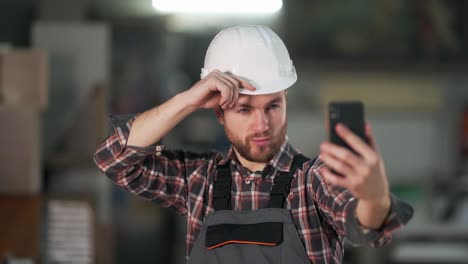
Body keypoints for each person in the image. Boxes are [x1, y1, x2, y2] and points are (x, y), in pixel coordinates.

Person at [94, 25, 413, 264]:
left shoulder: (314, 180)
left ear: (285, 100)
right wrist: (186, 102)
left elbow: (365, 225)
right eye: (244, 109)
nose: (262, 125)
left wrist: (373, 197)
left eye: (272, 106)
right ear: (218, 111)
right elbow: (113, 159)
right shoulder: (198, 181)